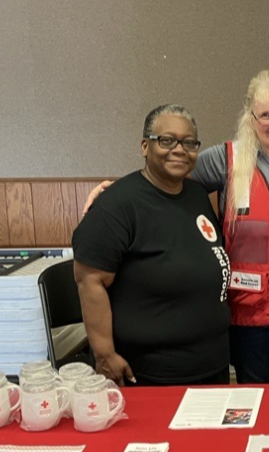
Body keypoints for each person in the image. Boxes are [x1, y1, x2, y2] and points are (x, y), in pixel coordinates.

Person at [85, 71, 269, 384]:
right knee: (258, 398)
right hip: (248, 314)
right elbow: (166, 173)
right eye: (265, 115)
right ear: (251, 118)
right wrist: (116, 191)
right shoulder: (225, 159)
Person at [72, 104, 232, 386]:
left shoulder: (196, 195)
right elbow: (89, 279)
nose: (180, 149)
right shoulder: (118, 205)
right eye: (167, 140)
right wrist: (105, 354)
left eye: (189, 142)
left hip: (211, 367)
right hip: (151, 374)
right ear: (146, 146)